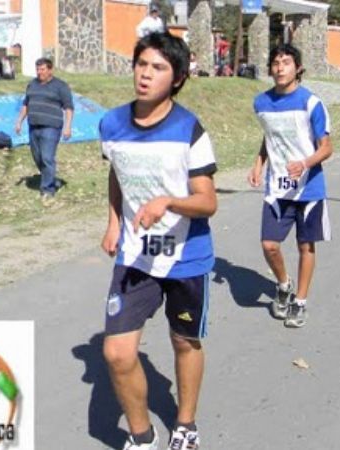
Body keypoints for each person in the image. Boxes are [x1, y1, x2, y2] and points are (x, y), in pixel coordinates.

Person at [99, 32, 217, 450]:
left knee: (184, 342)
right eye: (142, 64)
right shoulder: (111, 124)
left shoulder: (189, 129)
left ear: (178, 78)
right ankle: (142, 436)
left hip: (186, 257)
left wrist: (168, 201)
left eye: (159, 68)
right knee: (116, 353)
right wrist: (114, 222)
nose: (146, 74)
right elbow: (118, 171)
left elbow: (207, 202)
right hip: (135, 255)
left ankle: (185, 424)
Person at [247, 44, 333, 328]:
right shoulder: (261, 103)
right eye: (275, 62)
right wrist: (259, 162)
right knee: (269, 244)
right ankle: (284, 284)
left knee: (305, 246)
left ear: (298, 69)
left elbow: (326, 148)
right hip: (277, 189)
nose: (280, 67)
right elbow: (271, 138)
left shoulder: (311, 103)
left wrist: (305, 163)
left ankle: (300, 301)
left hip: (308, 188)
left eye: (286, 62)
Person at [15, 57, 74, 199]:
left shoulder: (60, 86)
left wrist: (68, 127)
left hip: (51, 127)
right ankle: (52, 180)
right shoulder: (32, 85)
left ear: (50, 70)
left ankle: (47, 189)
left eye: (42, 69)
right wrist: (19, 122)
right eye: (37, 69)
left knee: (47, 157)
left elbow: (68, 108)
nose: (39, 72)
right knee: (38, 157)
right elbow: (26, 105)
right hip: (34, 126)